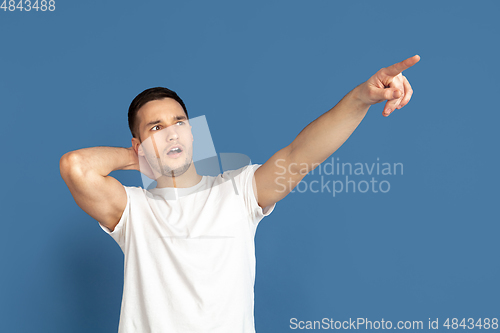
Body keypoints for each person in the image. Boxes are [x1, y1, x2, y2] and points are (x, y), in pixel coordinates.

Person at [60, 55, 420, 332]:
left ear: (193, 134)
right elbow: (76, 167)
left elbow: (299, 156)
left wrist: (361, 98)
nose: (171, 134)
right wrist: (142, 158)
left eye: (179, 123)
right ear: (138, 143)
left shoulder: (238, 190)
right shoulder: (134, 211)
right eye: (157, 128)